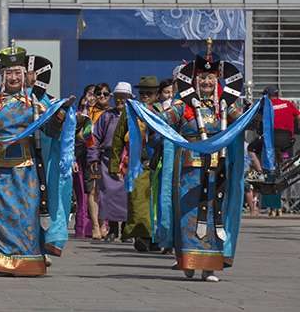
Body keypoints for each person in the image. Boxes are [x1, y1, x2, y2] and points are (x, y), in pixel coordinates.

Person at [0, 46, 74, 276]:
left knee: (26, 215)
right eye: (8, 73)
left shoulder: (33, 102)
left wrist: (63, 111)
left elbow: (50, 129)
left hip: (28, 170)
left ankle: (27, 261)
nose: (13, 78)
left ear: (24, 76)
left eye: (17, 73)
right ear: (1, 76)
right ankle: (1, 262)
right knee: (0, 216)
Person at [156, 48, 249, 282]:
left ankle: (209, 268)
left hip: (218, 170)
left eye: (211, 78)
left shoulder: (227, 105)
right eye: (202, 78)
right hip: (189, 171)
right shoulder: (182, 105)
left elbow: (244, 121)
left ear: (217, 80)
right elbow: (163, 120)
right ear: (194, 81)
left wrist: (261, 113)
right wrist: (146, 113)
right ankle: (188, 260)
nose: (207, 81)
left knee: (215, 215)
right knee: (189, 215)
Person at [109, 76, 162, 252]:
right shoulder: (130, 111)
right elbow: (117, 138)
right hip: (138, 165)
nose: (145, 96)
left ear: (157, 95)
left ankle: (159, 238)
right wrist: (114, 166)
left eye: (149, 93)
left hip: (161, 165)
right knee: (138, 203)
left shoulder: (163, 111)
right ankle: (143, 237)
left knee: (158, 204)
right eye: (142, 93)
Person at [87, 82, 132, 243]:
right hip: (108, 160)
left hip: (128, 159)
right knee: (109, 195)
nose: (119, 100)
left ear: (129, 98)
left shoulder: (134, 116)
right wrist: (92, 157)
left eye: (123, 97)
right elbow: (94, 138)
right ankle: (112, 229)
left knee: (127, 194)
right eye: (117, 97)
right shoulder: (107, 116)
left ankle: (126, 229)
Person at [257, 86, 299, 217]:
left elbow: (257, 121)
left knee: (251, 150)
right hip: (287, 140)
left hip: (271, 141)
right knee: (277, 168)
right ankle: (277, 207)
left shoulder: (266, 106)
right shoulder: (289, 104)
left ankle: (259, 172)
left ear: (267, 96)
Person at [72, 85, 95, 239]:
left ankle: (95, 227)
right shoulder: (77, 116)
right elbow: (70, 140)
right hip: (80, 159)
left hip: (95, 159)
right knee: (83, 195)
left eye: (97, 94)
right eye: (90, 94)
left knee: (96, 194)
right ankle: (81, 228)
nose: (93, 97)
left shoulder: (105, 114)